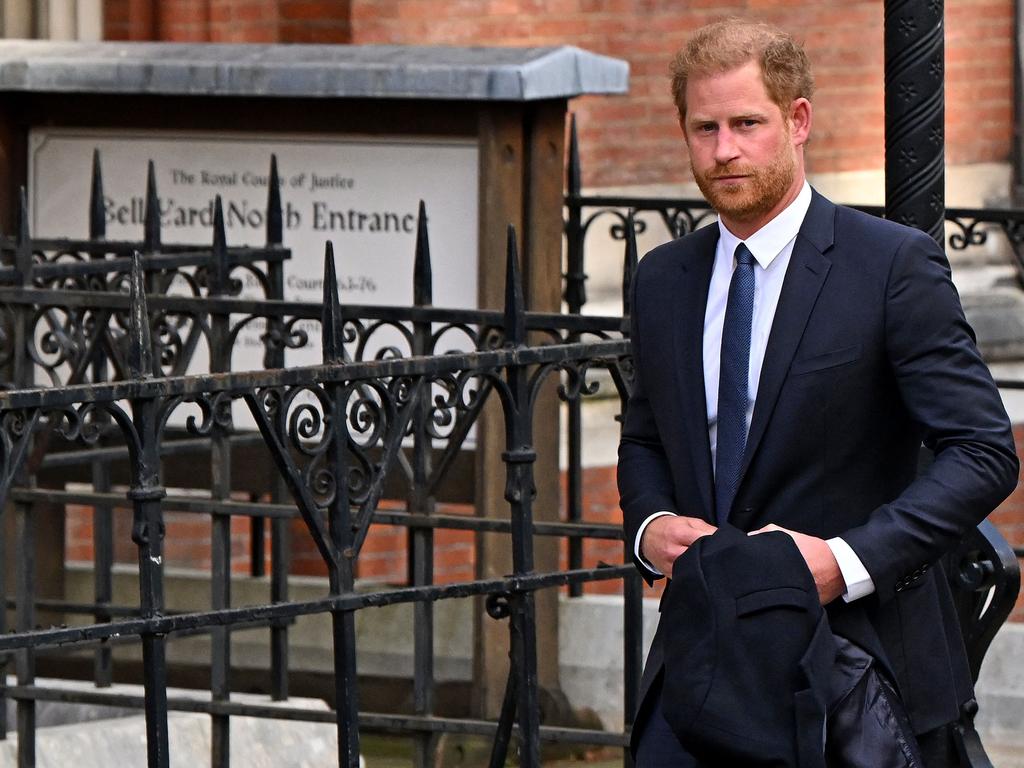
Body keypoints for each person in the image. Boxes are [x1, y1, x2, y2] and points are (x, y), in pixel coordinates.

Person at [617, 17, 1020, 768]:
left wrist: (847, 559)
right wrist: (651, 526)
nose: (724, 150)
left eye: (746, 123)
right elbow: (645, 435)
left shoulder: (890, 266)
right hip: (700, 665)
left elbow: (984, 451)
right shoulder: (663, 280)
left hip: (854, 672)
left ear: (797, 121)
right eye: (704, 128)